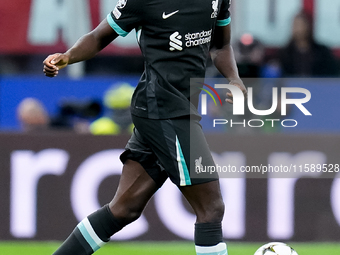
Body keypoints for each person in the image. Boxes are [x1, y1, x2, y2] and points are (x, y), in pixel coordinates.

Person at [43, 0, 246, 254]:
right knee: (211, 207)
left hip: (175, 109)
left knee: (124, 208)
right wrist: (68, 56)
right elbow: (99, 36)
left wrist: (234, 78)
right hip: (163, 109)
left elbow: (221, 44)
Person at [279, 11, 338, 77]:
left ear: (308, 26)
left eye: (300, 25)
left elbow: (332, 76)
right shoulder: (283, 55)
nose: (297, 29)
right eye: (295, 25)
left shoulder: (322, 53)